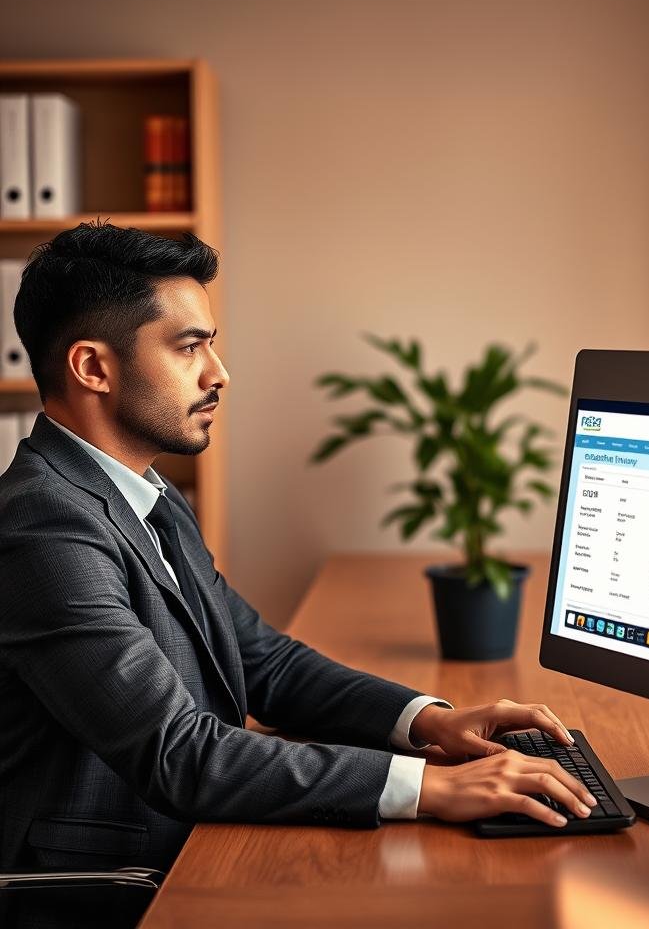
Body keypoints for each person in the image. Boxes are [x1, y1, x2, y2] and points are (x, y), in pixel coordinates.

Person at [0, 223, 596, 929]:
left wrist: (429, 723)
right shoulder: (43, 527)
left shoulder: (147, 497)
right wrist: (429, 789)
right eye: (190, 346)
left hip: (190, 844)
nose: (219, 373)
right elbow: (179, 754)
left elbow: (262, 660)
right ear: (94, 368)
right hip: (112, 887)